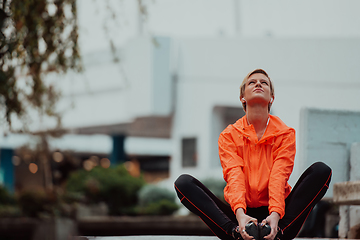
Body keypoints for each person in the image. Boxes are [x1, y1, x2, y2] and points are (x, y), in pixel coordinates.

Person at [174, 69, 332, 240]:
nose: (258, 84)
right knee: (183, 183)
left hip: (278, 217)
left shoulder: (285, 134)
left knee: (321, 171)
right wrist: (241, 216)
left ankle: (277, 233)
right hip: (239, 217)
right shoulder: (229, 135)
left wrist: (275, 214)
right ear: (242, 97)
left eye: (264, 83)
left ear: (271, 97)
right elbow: (234, 176)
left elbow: (279, 176)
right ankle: (235, 233)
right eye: (252, 82)